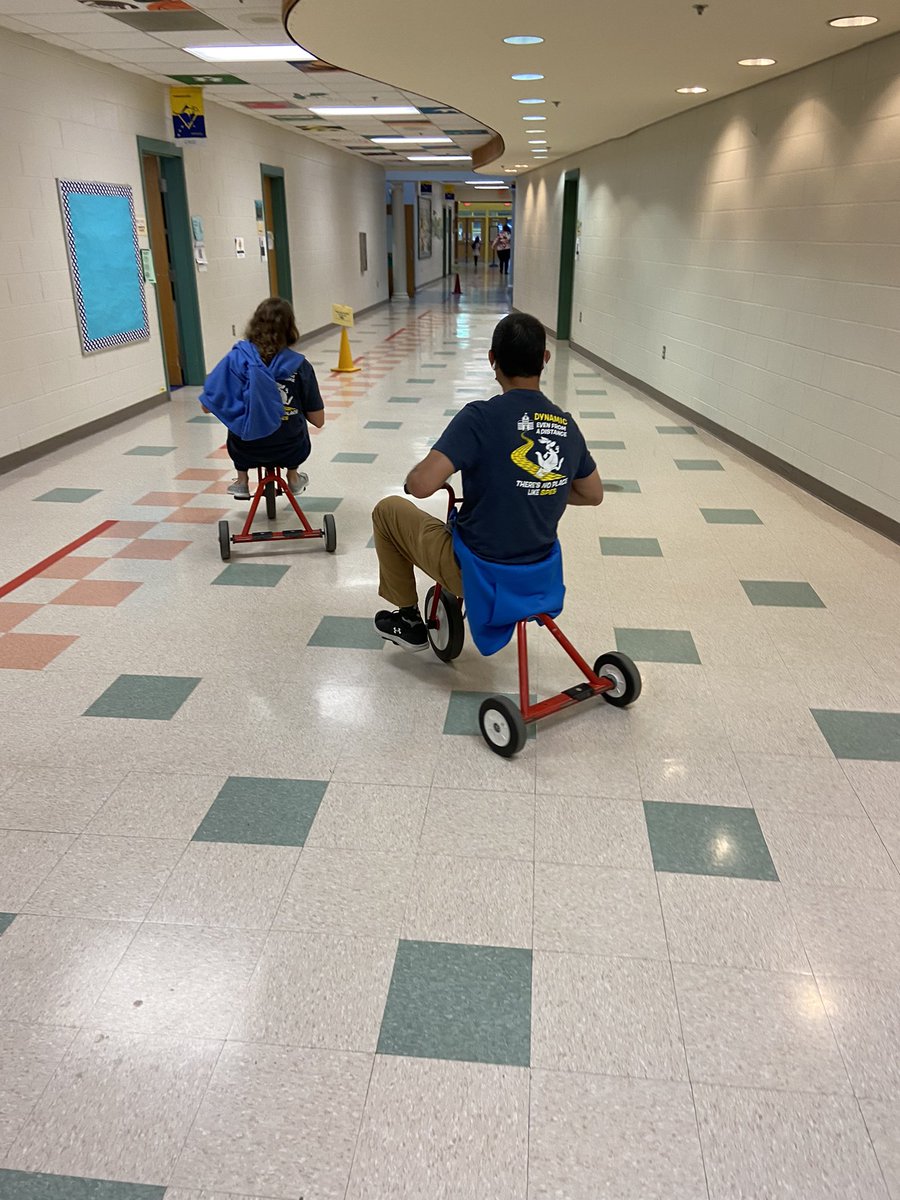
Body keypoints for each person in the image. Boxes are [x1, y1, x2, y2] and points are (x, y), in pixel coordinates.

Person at [371, 312, 604, 651]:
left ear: (492, 359)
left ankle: (407, 618)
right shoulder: (566, 425)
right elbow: (593, 493)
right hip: (540, 575)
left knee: (387, 510)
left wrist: (412, 480)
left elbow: (422, 486)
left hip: (479, 570)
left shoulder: (479, 418)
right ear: (545, 359)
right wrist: (538, 483)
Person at [199, 297, 325, 499]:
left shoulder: (236, 359)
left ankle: (242, 480)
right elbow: (318, 421)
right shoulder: (300, 366)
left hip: (245, 449)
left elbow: (207, 406)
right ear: (290, 328)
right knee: (295, 424)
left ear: (254, 324)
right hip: (291, 448)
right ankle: (292, 477)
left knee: (239, 424)